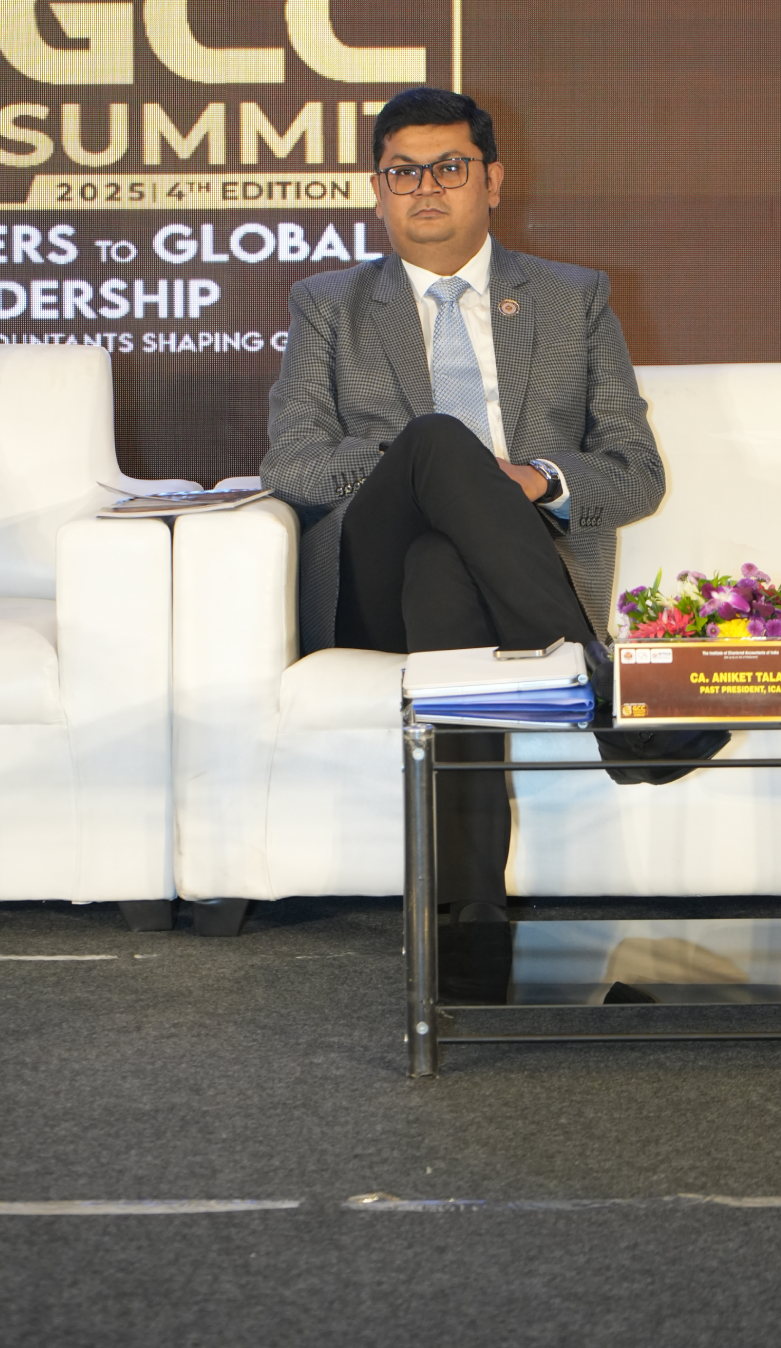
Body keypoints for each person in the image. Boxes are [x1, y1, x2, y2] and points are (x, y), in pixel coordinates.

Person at [261, 87, 684, 927]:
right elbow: (293, 462)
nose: (425, 187)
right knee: (433, 440)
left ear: (491, 180)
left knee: (443, 563)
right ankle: (601, 690)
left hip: (501, 577)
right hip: (370, 583)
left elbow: (636, 471)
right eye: (403, 172)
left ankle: (470, 911)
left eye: (449, 167)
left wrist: (535, 480)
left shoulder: (574, 297)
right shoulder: (327, 303)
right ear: (377, 191)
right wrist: (424, 468)